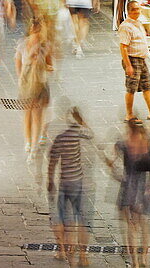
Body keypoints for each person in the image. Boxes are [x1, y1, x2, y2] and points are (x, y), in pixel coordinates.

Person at [47, 107, 93, 267]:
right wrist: (82, 120)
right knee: (81, 219)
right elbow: (91, 134)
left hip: (64, 183)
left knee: (61, 217)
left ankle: (62, 250)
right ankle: (83, 256)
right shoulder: (79, 135)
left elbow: (52, 161)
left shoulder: (60, 138)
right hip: (78, 182)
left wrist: (49, 180)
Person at [110, 118, 150, 268]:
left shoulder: (123, 144)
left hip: (129, 189)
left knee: (131, 227)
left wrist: (120, 177)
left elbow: (114, 167)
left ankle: (135, 263)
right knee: (146, 227)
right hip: (146, 189)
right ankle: (145, 259)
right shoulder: (148, 143)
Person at [118, 1, 150, 122]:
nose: (137, 12)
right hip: (132, 59)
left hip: (141, 59)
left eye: (138, 9)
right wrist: (128, 65)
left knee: (147, 86)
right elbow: (123, 47)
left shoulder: (138, 23)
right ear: (129, 11)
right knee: (131, 87)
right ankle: (129, 115)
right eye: (134, 9)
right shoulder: (126, 26)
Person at [16, 18, 54, 158]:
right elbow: (50, 66)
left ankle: (31, 143)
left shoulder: (40, 45)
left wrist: (21, 78)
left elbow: (18, 65)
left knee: (30, 115)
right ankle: (31, 144)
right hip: (36, 83)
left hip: (33, 83)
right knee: (33, 115)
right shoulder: (42, 45)